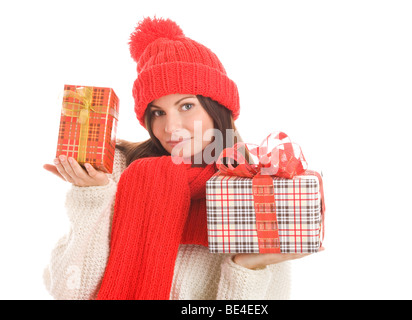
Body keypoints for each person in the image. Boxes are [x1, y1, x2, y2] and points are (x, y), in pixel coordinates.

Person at [43, 16, 315, 300]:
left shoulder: (253, 188)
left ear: (217, 108)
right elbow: (67, 291)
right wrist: (92, 198)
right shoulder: (119, 171)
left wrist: (245, 267)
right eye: (157, 112)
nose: (170, 128)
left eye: (186, 105)